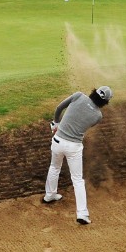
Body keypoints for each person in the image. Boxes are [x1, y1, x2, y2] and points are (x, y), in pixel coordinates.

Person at [43, 85, 113, 225]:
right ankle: (82, 214)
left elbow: (59, 108)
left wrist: (56, 123)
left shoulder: (78, 95)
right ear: (104, 102)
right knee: (77, 180)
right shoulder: (98, 116)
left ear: (94, 92)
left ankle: (49, 195)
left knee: (54, 167)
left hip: (57, 141)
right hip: (73, 147)